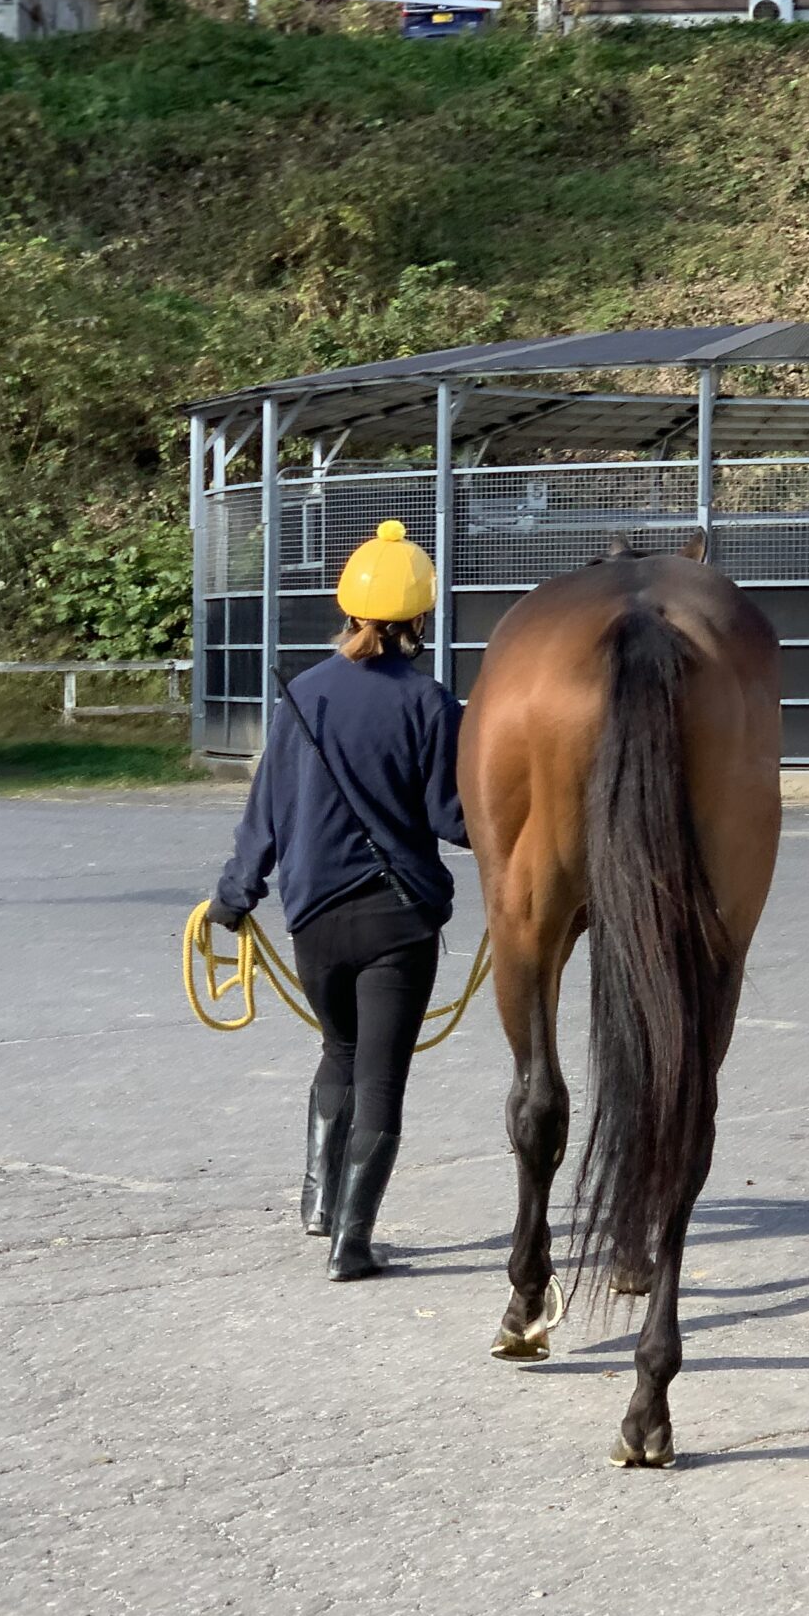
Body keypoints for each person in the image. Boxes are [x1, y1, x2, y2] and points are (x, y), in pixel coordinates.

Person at [209, 520, 467, 1281]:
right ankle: (353, 1243)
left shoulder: (302, 695)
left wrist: (235, 895)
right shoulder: (430, 703)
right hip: (399, 923)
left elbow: (267, 812)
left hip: (313, 918)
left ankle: (319, 1203)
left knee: (339, 1052)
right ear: (420, 618)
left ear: (348, 607)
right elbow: (453, 821)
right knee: (382, 1078)